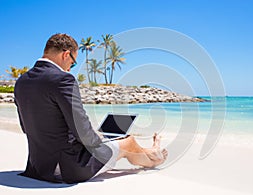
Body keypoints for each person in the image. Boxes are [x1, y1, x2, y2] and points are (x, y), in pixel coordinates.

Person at [14, 33, 168, 184]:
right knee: (129, 142)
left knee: (116, 141)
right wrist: (99, 142)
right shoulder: (62, 79)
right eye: (73, 63)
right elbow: (81, 130)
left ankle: (151, 151)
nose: (70, 69)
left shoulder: (22, 81)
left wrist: (96, 138)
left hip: (39, 167)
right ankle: (155, 158)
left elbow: (25, 127)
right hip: (69, 168)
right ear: (66, 55)